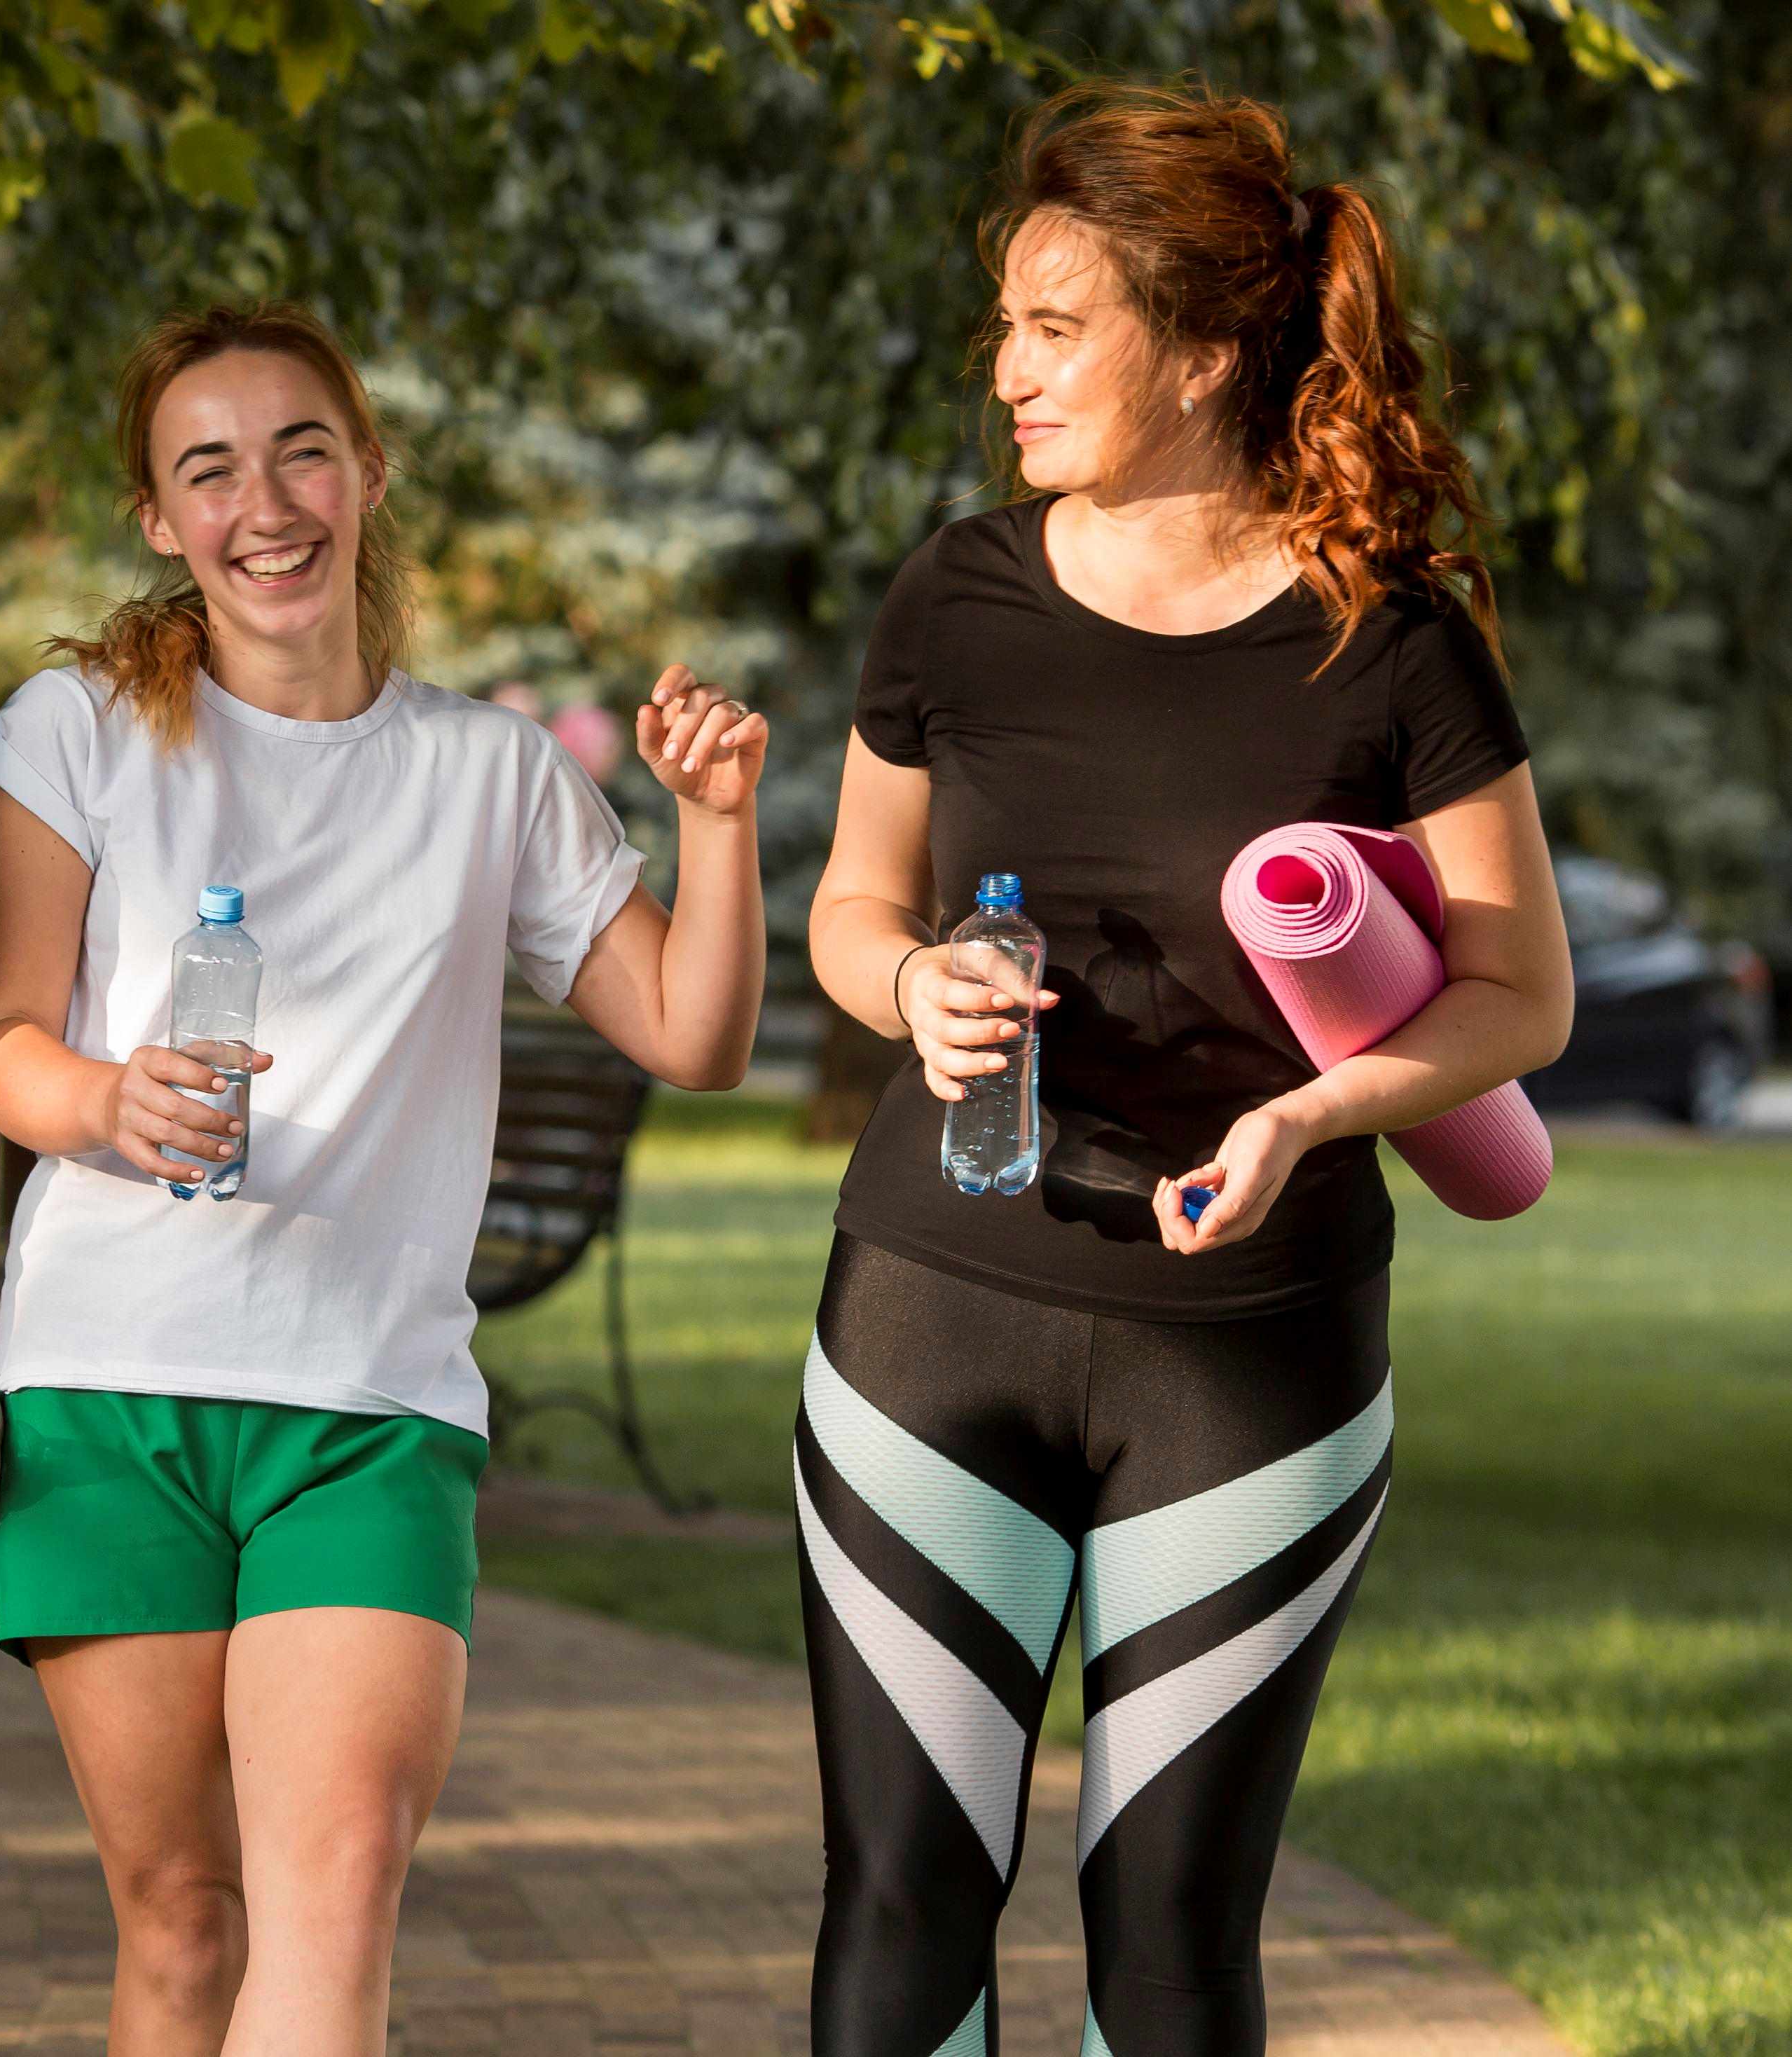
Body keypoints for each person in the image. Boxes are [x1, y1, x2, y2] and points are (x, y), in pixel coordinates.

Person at [799, 84, 1572, 2056]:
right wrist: (907, 993)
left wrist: (1317, 1105)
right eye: (1003, 328)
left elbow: (1515, 1000)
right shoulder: (953, 593)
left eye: (1053, 329)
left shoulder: (1390, 648)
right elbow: (849, 905)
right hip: (927, 1320)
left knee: (1167, 1956)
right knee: (896, 1928)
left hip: (1251, 1352)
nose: (1006, 375)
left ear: (1204, 351)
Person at [0, 303, 769, 2057]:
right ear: (160, 519)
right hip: (111, 1387)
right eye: (210, 468)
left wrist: (717, 823)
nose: (266, 499)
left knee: (332, 1917)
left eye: (301, 447)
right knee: (178, 1925)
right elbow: (2, 1046)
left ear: (369, 471)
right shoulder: (79, 729)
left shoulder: (490, 776)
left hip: (368, 1406)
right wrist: (110, 1098)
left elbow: (690, 1036)